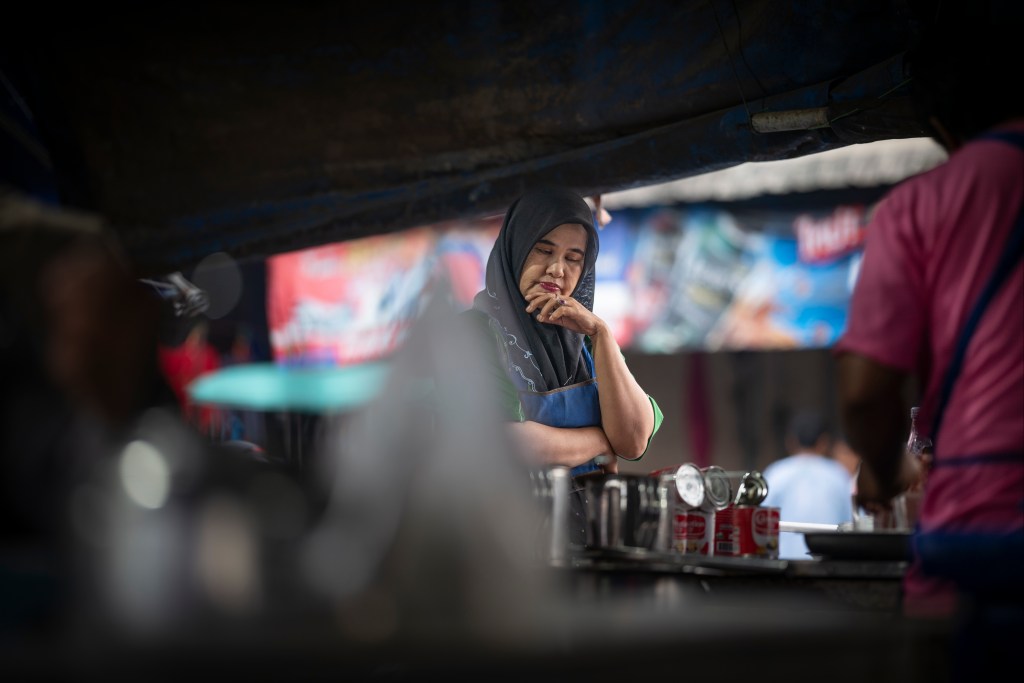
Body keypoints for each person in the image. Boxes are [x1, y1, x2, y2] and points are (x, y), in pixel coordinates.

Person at [834, 9, 1023, 678]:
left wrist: (886, 469)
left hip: (983, 547)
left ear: (937, 122)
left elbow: (865, 389)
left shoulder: (921, 208)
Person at [463, 187, 663, 541]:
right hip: (511, 544)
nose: (557, 270)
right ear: (515, 248)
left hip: (593, 539)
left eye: (573, 258)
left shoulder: (587, 338)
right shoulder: (475, 333)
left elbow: (632, 440)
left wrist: (602, 334)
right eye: (543, 250)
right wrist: (602, 442)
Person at [762, 410, 853, 559]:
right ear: (824, 442)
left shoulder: (775, 474)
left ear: (791, 441)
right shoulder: (839, 475)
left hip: (782, 569)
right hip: (829, 569)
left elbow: (759, 524)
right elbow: (854, 524)